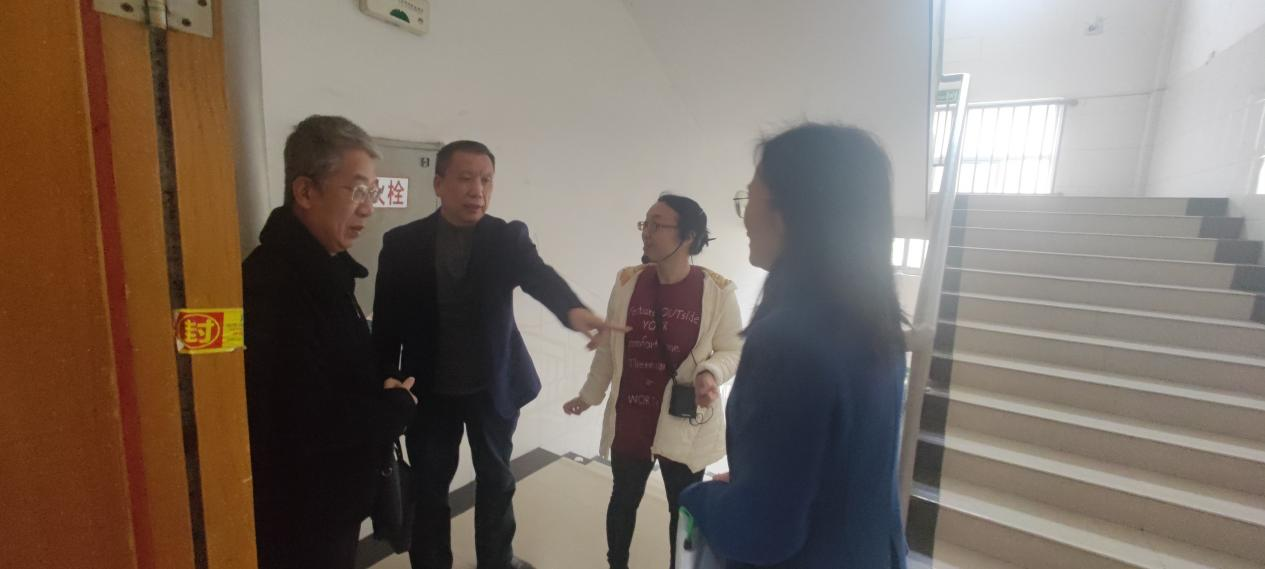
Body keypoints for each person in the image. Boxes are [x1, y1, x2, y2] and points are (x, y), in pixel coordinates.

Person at [372, 140, 626, 569]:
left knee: (496, 481)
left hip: (493, 387)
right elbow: (387, 322)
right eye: (465, 178)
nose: (477, 190)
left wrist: (573, 310)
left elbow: (538, 275)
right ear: (439, 184)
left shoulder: (506, 237)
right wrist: (384, 378)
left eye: (486, 180)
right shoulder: (402, 244)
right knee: (429, 490)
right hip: (427, 392)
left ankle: (497, 562)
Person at [678, 123, 909, 568]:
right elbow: (842, 473)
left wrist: (699, 496)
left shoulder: (787, 340)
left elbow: (762, 535)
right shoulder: (877, 327)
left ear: (788, 212)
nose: (745, 218)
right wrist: (756, 487)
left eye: (750, 198)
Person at [243, 115, 418, 569]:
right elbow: (298, 421)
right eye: (357, 191)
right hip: (300, 514)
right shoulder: (274, 284)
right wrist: (393, 410)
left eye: (372, 193)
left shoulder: (325, 268)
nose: (368, 209)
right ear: (305, 192)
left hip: (332, 504)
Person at [563, 194, 743, 569]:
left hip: (685, 421)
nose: (646, 232)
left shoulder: (718, 292)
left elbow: (733, 350)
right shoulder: (628, 282)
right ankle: (616, 564)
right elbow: (609, 349)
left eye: (657, 225)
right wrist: (589, 396)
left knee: (683, 508)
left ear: (688, 236)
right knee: (622, 499)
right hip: (631, 417)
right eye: (645, 223)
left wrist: (710, 373)